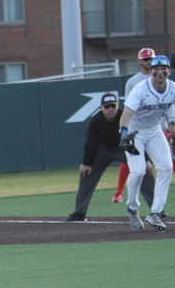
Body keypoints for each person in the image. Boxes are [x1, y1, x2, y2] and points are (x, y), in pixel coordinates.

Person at [120, 55, 175, 231]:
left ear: (169, 71)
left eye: (163, 69)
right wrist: (124, 134)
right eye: (156, 70)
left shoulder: (174, 89)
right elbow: (126, 115)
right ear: (151, 72)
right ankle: (132, 208)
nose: (159, 73)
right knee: (138, 171)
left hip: (154, 130)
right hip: (134, 130)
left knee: (166, 167)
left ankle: (155, 212)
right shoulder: (140, 89)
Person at [66, 92, 155, 222]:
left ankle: (157, 209)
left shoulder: (124, 116)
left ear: (117, 106)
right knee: (86, 174)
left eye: (113, 106)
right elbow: (91, 142)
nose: (110, 109)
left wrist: (145, 159)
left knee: (145, 171)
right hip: (103, 150)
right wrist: (87, 163)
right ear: (101, 108)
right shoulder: (96, 121)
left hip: (124, 149)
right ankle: (79, 212)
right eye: (107, 106)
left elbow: (137, 139)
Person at [113, 48, 155, 203]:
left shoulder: (160, 78)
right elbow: (128, 108)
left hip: (157, 125)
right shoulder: (133, 81)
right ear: (139, 61)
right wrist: (126, 127)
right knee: (134, 163)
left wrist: (171, 122)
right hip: (137, 125)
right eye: (146, 59)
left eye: (151, 59)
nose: (149, 62)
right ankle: (124, 196)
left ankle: (160, 204)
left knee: (168, 162)